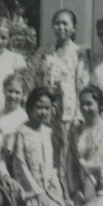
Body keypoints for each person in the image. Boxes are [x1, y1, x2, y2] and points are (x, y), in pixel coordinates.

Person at [33, 9, 90, 165]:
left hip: (69, 111)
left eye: (65, 23)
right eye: (57, 23)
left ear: (73, 28)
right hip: (46, 109)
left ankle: (65, 186)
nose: (61, 27)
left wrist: (79, 114)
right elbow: (36, 81)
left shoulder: (79, 53)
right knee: (45, 147)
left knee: (66, 151)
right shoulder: (44, 52)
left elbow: (82, 84)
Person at [10, 87, 69, 206]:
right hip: (30, 189)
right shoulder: (21, 132)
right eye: (39, 107)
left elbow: (52, 167)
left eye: (47, 108)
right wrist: (37, 192)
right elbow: (20, 165)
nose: (44, 112)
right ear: (29, 109)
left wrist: (58, 190)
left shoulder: (48, 132)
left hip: (50, 188)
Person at [0, 17, 27, 112]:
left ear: (9, 39)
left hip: (6, 109)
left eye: (4, 38)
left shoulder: (16, 59)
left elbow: (21, 89)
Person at [0, 73, 29, 137]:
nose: (13, 96)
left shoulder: (25, 118)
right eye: (10, 91)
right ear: (4, 91)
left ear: (23, 95)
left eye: (17, 92)